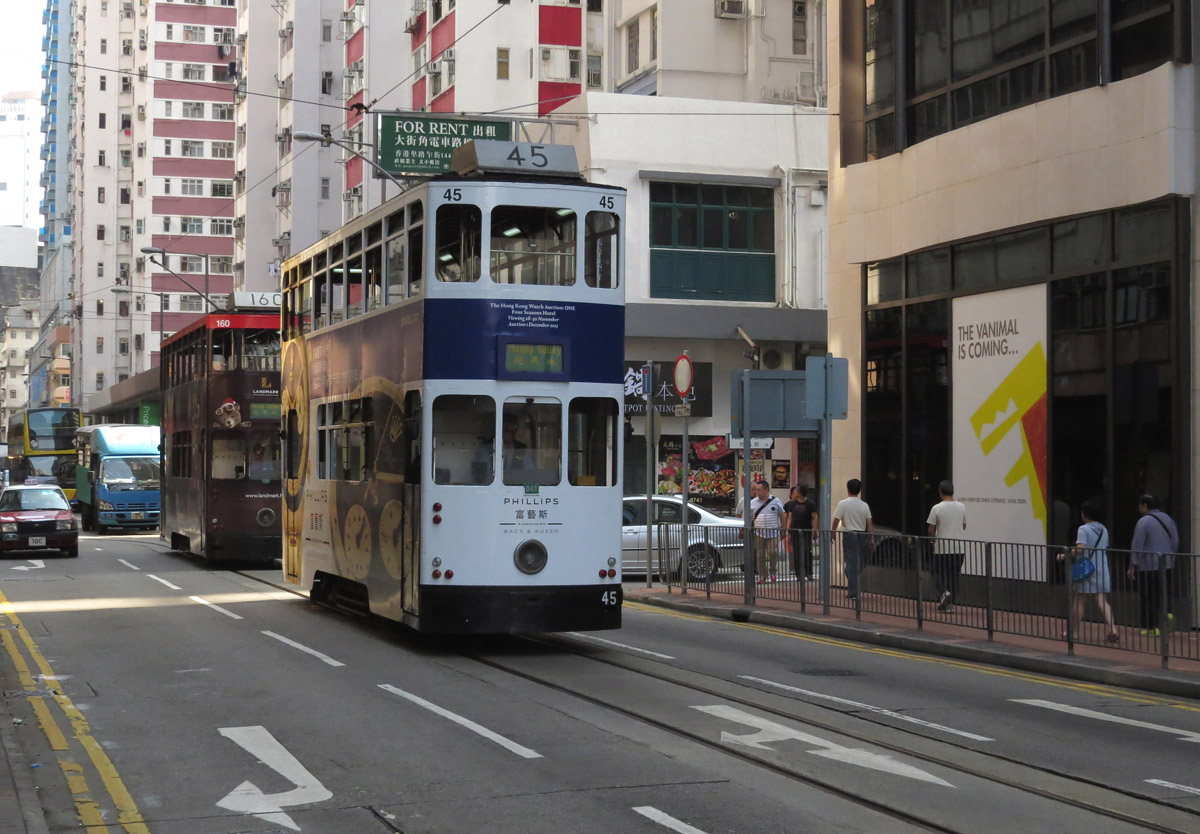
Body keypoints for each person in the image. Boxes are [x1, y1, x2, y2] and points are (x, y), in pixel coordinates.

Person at [1058, 499, 1118, 643]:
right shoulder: (1103, 529)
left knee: (1079, 600)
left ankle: (1075, 632)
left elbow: (1080, 549)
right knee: (1102, 601)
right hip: (1102, 567)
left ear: (1084, 514)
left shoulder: (1083, 529)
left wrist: (1063, 555)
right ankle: (1113, 629)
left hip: (1086, 569)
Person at [1127, 494, 1179, 637]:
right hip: (1166, 564)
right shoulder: (1168, 519)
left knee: (1148, 596)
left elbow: (1137, 545)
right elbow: (1175, 541)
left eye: (1140, 505)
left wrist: (1133, 565)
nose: (1139, 508)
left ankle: (1151, 627)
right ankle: (1167, 613)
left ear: (1145, 506)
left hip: (1148, 566)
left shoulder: (1143, 522)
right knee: (1163, 592)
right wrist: (1171, 558)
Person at [926, 480, 967, 612]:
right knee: (953, 575)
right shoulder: (961, 507)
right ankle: (950, 605)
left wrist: (932, 542)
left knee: (936, 571)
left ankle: (944, 592)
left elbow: (930, 529)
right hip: (959, 548)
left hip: (942, 548)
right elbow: (964, 526)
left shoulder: (937, 508)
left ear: (940, 492)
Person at [831, 479, 873, 599]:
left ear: (848, 489)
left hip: (849, 535)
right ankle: (854, 589)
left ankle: (853, 591)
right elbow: (869, 522)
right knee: (858, 562)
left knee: (850, 562)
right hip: (862, 535)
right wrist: (872, 538)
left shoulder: (843, 504)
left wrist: (832, 533)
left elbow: (836, 520)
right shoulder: (864, 505)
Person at [748, 479, 786, 583]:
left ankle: (773, 572)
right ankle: (762, 575)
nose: (757, 492)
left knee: (772, 552)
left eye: (759, 490)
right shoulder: (752, 503)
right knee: (760, 555)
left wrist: (783, 529)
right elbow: (749, 517)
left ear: (766, 490)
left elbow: (782, 515)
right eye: (756, 490)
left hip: (773, 532)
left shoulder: (775, 500)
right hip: (759, 533)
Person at [784, 485, 818, 581]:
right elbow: (790, 517)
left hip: (806, 531)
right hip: (794, 531)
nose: (794, 492)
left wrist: (814, 530)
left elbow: (815, 517)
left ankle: (809, 573)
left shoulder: (810, 503)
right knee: (796, 552)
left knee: (807, 551)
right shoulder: (792, 503)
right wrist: (787, 530)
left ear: (801, 492)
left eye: (796, 491)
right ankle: (799, 574)